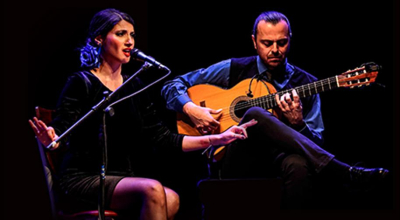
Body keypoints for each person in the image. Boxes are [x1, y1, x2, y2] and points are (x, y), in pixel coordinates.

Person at [28, 8, 257, 220]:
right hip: (83, 178)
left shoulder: (134, 85)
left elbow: (162, 137)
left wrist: (219, 138)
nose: (130, 42)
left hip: (122, 177)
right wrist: (52, 140)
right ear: (99, 39)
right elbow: (62, 130)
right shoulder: (81, 82)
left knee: (172, 199)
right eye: (121, 34)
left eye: (133, 35)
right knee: (153, 189)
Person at [161, 10, 389, 208]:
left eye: (282, 43)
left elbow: (316, 145)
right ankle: (343, 171)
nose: (275, 50)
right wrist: (191, 109)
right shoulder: (234, 68)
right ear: (254, 41)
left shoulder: (306, 84)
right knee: (254, 114)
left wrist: (299, 124)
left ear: (290, 40)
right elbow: (171, 85)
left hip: (279, 158)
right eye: (267, 43)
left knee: (298, 165)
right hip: (234, 156)